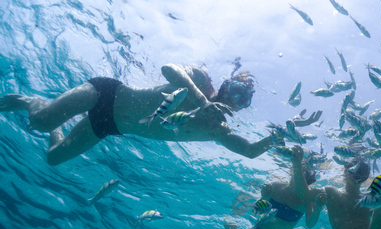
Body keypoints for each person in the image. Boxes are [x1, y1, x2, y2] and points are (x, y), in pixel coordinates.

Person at [0, 64, 321, 165]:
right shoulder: (199, 79)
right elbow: (168, 67)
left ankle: (54, 123)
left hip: (109, 126)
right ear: (225, 84)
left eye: (244, 100)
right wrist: (201, 100)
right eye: (237, 90)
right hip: (108, 92)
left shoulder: (216, 131)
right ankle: (30, 100)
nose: (237, 100)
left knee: (53, 157)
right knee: (40, 121)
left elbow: (250, 151)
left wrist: (282, 132)